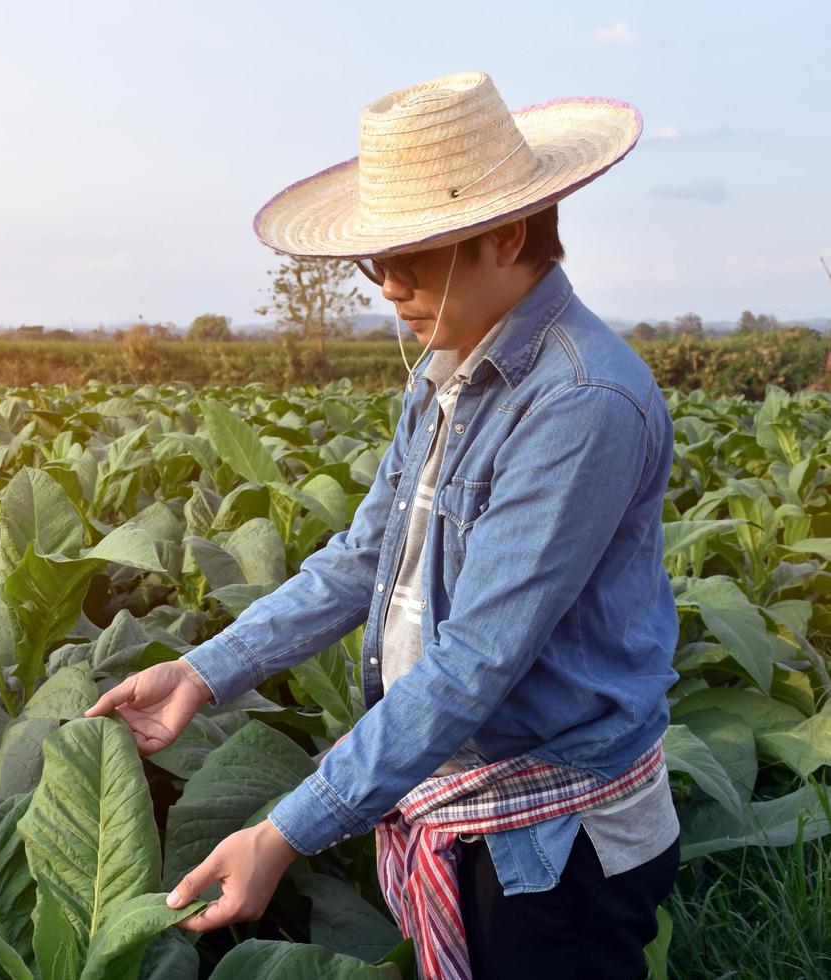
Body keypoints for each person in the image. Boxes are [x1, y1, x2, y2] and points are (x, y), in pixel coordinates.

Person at [85, 70, 681, 979]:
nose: (389, 285)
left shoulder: (581, 402)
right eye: (377, 260)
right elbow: (366, 555)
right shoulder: (446, 367)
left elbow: (475, 659)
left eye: (413, 255)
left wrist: (286, 830)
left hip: (558, 841)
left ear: (508, 233)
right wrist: (207, 672)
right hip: (456, 794)